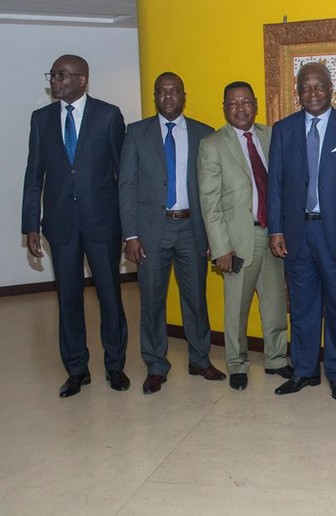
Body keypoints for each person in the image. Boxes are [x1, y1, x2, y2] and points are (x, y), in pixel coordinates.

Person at [22, 55, 129, 397]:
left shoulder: (108, 115)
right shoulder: (41, 120)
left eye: (62, 75)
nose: (55, 80)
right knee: (68, 299)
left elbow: (122, 175)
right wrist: (31, 225)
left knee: (110, 296)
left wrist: (130, 229)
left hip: (103, 223)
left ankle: (115, 366)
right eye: (53, 75)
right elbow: (33, 176)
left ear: (82, 80)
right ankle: (76, 369)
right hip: (61, 225)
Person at [119, 72, 225, 394]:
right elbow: (126, 186)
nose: (168, 96)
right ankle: (155, 364)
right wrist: (131, 235)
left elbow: (211, 190)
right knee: (151, 301)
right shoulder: (136, 134)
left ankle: (200, 359)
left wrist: (211, 235)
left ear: (184, 95)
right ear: (155, 96)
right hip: (152, 231)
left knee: (196, 300)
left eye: (174, 91)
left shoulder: (204, 134)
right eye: (162, 91)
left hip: (192, 229)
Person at [268, 63, 336, 401]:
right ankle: (305, 370)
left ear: (331, 89)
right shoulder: (283, 129)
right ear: (298, 91)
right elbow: (276, 183)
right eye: (305, 87)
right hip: (296, 232)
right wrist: (275, 229)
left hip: (335, 234)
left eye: (318, 86)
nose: (312, 93)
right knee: (303, 307)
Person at [198, 81, 290, 391]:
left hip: (271, 235)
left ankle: (277, 358)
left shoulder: (270, 136)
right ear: (224, 108)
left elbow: (280, 186)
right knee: (236, 307)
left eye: (246, 102)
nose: (240, 108)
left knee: (275, 303)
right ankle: (237, 363)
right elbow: (209, 203)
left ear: (256, 104)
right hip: (237, 241)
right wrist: (221, 247)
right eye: (233, 103)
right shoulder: (212, 145)